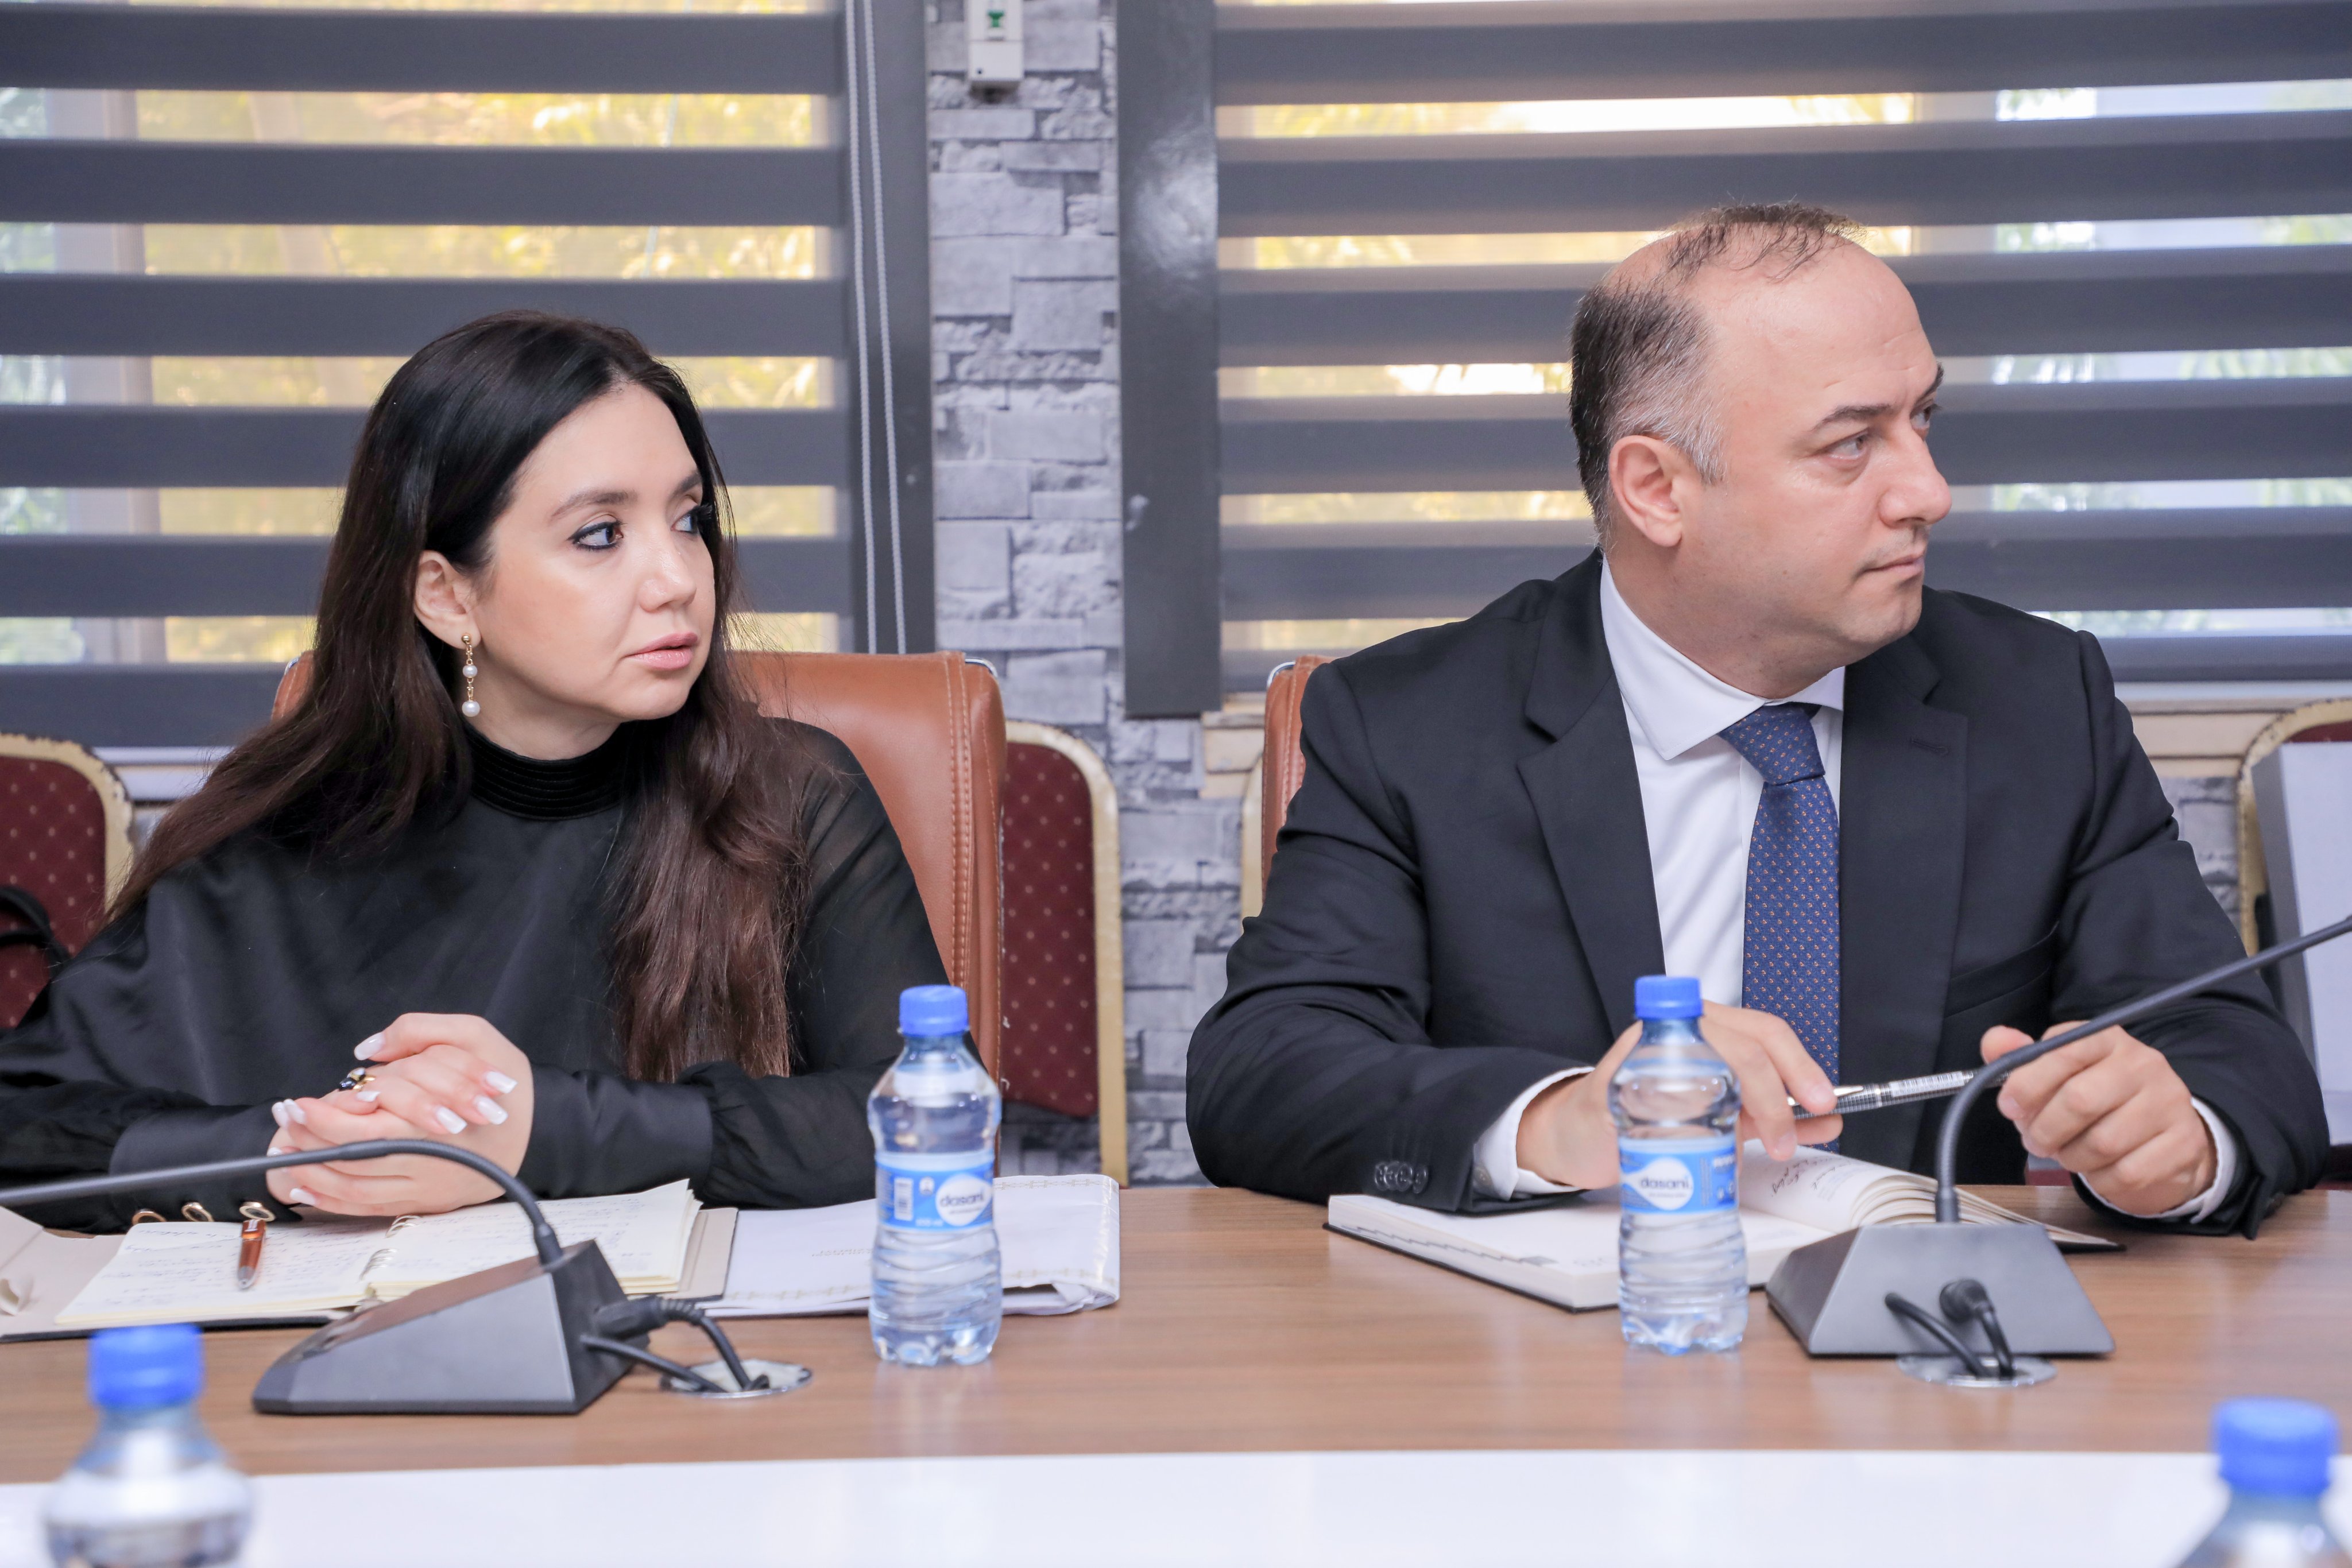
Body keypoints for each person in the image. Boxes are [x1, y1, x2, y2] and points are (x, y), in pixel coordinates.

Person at [1189, 203, 2325, 1236]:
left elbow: (2237, 1055)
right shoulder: (1410, 725)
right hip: (1556, 1355)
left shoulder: (2033, 699)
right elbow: (1264, 1073)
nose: (1927, 492)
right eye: (1851, 443)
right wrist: (1561, 1118)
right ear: (1656, 488)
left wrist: (2181, 1143)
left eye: (1923, 419)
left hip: (1929, 1346)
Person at [0, 312, 947, 1232]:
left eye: (688, 519)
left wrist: (543, 1133)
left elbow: (929, 1114)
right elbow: (24, 1125)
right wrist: (294, 1155)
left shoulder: (787, 797)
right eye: (601, 534)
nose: (679, 580)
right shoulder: (285, 833)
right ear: (448, 596)